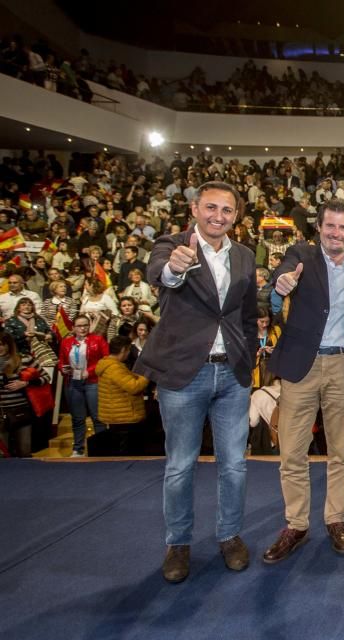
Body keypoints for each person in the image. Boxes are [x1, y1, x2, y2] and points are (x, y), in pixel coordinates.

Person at [134, 181, 258, 584]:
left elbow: (247, 313)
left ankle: (229, 534)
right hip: (184, 373)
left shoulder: (244, 255)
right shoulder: (172, 246)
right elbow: (161, 276)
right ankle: (179, 542)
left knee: (235, 465)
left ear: (236, 215)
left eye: (226, 210)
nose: (217, 216)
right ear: (194, 208)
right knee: (180, 465)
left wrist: (250, 355)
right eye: (210, 207)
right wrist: (175, 266)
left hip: (233, 374)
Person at [261, 199, 344, 564]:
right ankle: (296, 524)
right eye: (330, 226)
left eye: (343, 228)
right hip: (302, 366)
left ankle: (336, 518)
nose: (336, 233)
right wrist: (280, 288)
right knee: (292, 451)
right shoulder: (299, 256)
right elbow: (273, 295)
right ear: (319, 228)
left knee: (342, 451)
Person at [57, 315, 109, 457]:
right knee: (77, 418)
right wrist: (63, 368)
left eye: (85, 325)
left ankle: (102, 448)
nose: (83, 328)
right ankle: (78, 448)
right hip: (73, 382)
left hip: (93, 382)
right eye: (79, 326)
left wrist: (90, 371)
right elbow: (61, 361)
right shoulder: (66, 342)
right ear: (73, 328)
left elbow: (106, 360)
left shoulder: (97, 340)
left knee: (97, 417)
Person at [96, 335, 150, 455]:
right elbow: (134, 387)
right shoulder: (114, 368)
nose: (129, 353)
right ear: (122, 350)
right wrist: (146, 376)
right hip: (124, 417)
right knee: (127, 454)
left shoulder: (109, 365)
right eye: (128, 350)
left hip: (118, 415)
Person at [0, 331, 49, 457]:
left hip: (21, 411)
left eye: (2, 344)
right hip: (1, 412)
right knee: (3, 453)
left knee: (24, 450)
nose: (0, 348)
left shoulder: (24, 359)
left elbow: (46, 377)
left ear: (9, 345)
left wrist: (25, 383)